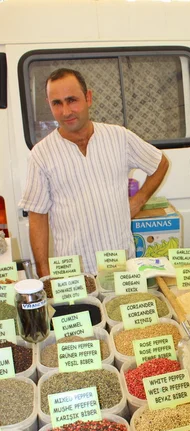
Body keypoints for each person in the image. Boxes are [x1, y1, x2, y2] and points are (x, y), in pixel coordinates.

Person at [20, 68, 169, 276]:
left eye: (72, 100)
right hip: (74, 273)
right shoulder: (41, 155)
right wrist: (45, 275)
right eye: (57, 103)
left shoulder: (119, 137)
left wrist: (138, 200)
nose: (66, 111)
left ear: (88, 98)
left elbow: (160, 163)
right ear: (49, 105)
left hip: (121, 266)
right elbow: (37, 217)